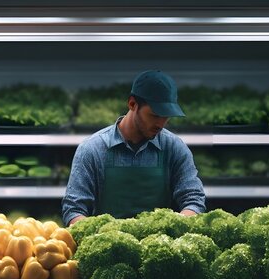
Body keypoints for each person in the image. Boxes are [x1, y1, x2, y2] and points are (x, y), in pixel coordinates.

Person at [62, 70, 206, 225]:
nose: (161, 124)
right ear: (132, 104)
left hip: (159, 245)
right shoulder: (92, 149)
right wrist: (101, 237)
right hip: (108, 247)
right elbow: (74, 209)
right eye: (155, 115)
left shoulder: (174, 148)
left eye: (167, 116)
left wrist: (174, 226)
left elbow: (194, 200)